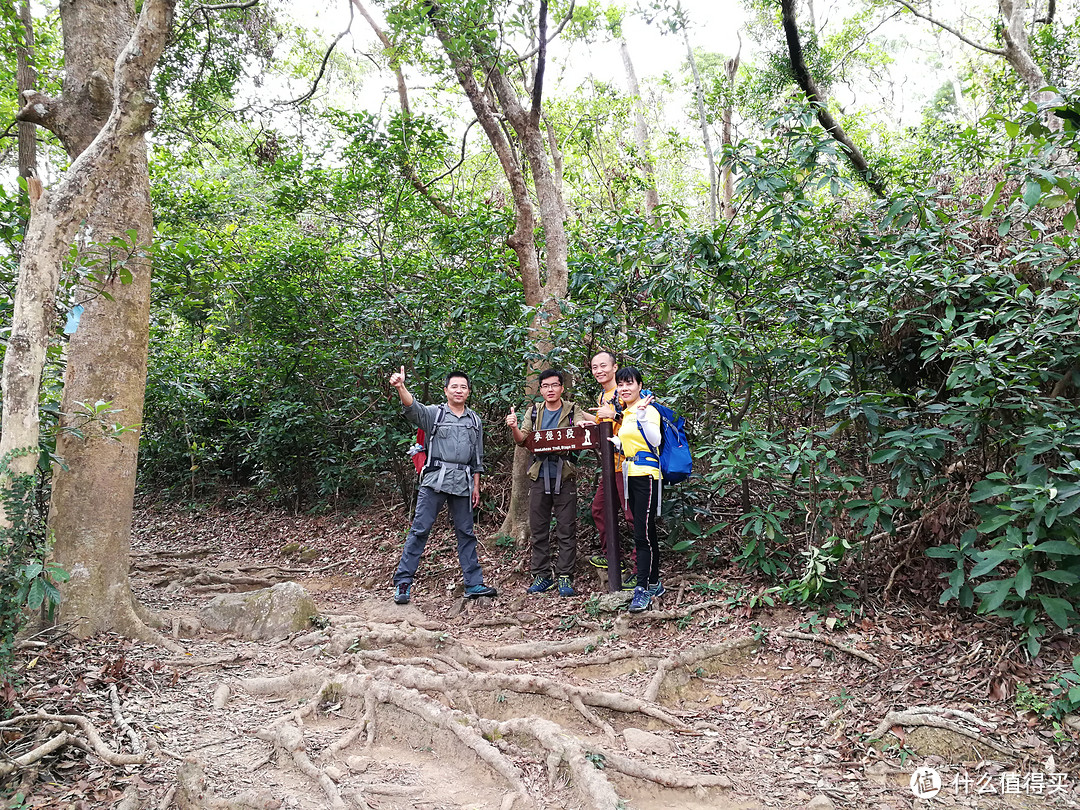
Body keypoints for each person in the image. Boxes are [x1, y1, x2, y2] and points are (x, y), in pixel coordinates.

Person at [389, 366, 498, 604]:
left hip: (463, 482)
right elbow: (412, 408)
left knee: (466, 533)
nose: (459, 391)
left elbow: (477, 458)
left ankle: (473, 583)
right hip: (434, 480)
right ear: (446, 390)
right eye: (454, 386)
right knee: (420, 529)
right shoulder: (434, 414)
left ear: (469, 392)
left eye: (463, 387)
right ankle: (403, 582)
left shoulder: (475, 420)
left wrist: (476, 486)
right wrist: (401, 387)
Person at [505, 369, 580, 597]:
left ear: (562, 388)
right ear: (540, 390)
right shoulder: (534, 412)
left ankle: (565, 575)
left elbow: (578, 433)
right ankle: (542, 575)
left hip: (564, 474)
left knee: (566, 528)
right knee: (538, 528)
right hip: (539, 474)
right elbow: (522, 441)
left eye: (554, 385)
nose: (550, 389)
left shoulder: (571, 410)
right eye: (546, 386)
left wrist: (582, 428)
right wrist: (515, 427)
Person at [610, 366, 666, 613]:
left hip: (647, 477)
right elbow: (633, 443)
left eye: (629, 383)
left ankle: (642, 589)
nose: (624, 388)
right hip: (630, 475)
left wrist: (643, 415)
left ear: (640, 386)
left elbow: (655, 440)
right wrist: (617, 442)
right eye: (621, 384)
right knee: (647, 530)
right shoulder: (627, 412)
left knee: (641, 534)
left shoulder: (647, 409)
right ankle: (654, 582)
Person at [584, 351, 636, 586]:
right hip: (610, 465)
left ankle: (639, 565)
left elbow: (636, 421)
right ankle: (613, 556)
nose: (599, 371)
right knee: (600, 508)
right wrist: (588, 421)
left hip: (628, 465)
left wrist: (613, 414)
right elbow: (605, 424)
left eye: (603, 366)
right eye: (595, 367)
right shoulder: (602, 396)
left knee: (632, 514)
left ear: (615, 367)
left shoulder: (624, 392)